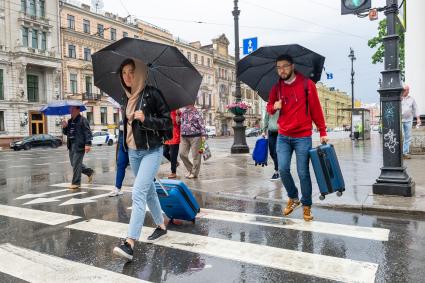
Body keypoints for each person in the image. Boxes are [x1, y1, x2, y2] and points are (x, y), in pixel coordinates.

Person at [113, 59, 172, 261]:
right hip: (133, 151)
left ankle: (130, 242)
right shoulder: (125, 98)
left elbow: (167, 123)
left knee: (138, 193)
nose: (127, 77)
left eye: (131, 72)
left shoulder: (152, 94)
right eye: (124, 73)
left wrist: (146, 118)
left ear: (139, 74)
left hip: (151, 150)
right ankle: (161, 225)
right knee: (148, 191)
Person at [266, 54, 328, 222]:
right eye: (278, 67)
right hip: (283, 135)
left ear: (292, 66)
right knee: (283, 169)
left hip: (302, 136)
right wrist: (274, 106)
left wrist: (322, 131)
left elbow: (316, 109)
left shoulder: (307, 84)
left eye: (285, 66)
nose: (281, 70)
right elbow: (269, 107)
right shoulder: (276, 88)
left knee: (303, 173)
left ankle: (306, 205)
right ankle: (293, 198)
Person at [61, 106, 94, 190]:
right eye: (70, 109)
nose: (70, 110)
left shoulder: (83, 120)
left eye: (72, 109)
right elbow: (67, 133)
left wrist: (88, 144)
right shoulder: (70, 121)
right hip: (71, 145)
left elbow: (88, 133)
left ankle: (76, 183)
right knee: (74, 163)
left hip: (79, 145)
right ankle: (89, 171)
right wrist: (64, 127)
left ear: (78, 110)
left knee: (76, 164)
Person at [179, 105, 206, 179]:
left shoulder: (197, 112)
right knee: (182, 154)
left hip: (196, 136)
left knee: (196, 156)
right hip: (184, 136)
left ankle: (194, 173)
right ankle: (191, 169)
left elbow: (202, 125)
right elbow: (181, 123)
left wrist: (203, 136)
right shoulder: (183, 112)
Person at [401, 84, 421, 159]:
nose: (407, 91)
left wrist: (418, 118)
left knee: (407, 137)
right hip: (400, 120)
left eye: (408, 90)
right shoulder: (399, 98)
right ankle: (400, 152)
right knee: (401, 136)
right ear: (403, 90)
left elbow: (416, 108)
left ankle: (405, 153)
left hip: (409, 120)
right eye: (406, 90)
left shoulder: (411, 99)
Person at [109, 120, 129, 197]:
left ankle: (152, 184)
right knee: (120, 165)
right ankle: (117, 188)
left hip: (134, 148)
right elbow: (120, 137)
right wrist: (119, 148)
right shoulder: (121, 122)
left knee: (139, 168)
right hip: (123, 147)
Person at [262, 111, 280, 181]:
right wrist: (264, 130)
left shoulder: (281, 106)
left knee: (276, 152)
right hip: (271, 132)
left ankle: (277, 171)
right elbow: (266, 119)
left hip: (280, 132)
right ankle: (279, 167)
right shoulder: (269, 108)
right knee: (272, 152)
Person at [163, 109, 181, 179]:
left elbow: (178, 123)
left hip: (174, 136)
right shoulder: (166, 110)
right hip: (167, 137)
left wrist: (178, 117)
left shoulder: (177, 111)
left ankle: (173, 172)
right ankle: (175, 163)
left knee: (173, 155)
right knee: (164, 153)